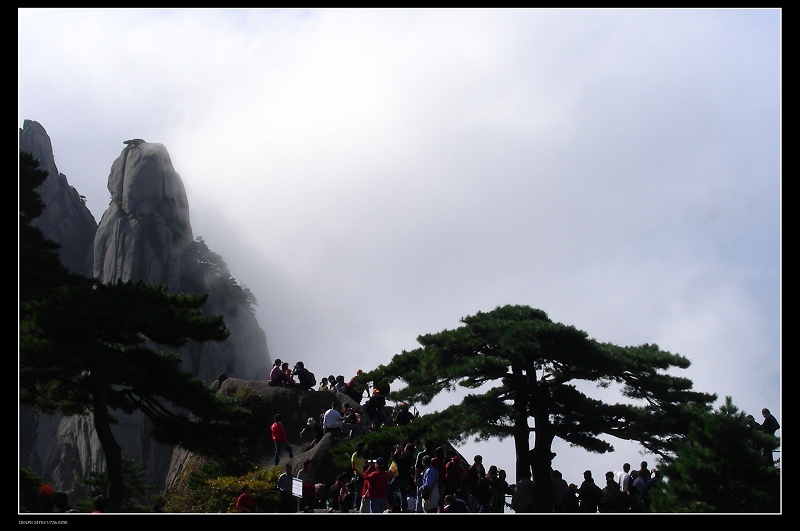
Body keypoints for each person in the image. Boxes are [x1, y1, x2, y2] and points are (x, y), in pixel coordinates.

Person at [351, 441, 367, 510]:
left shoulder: (362, 456)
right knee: (358, 490)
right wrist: (359, 473)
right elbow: (353, 466)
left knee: (363, 490)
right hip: (357, 474)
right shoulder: (355, 455)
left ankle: (361, 504)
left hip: (363, 475)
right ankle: (356, 505)